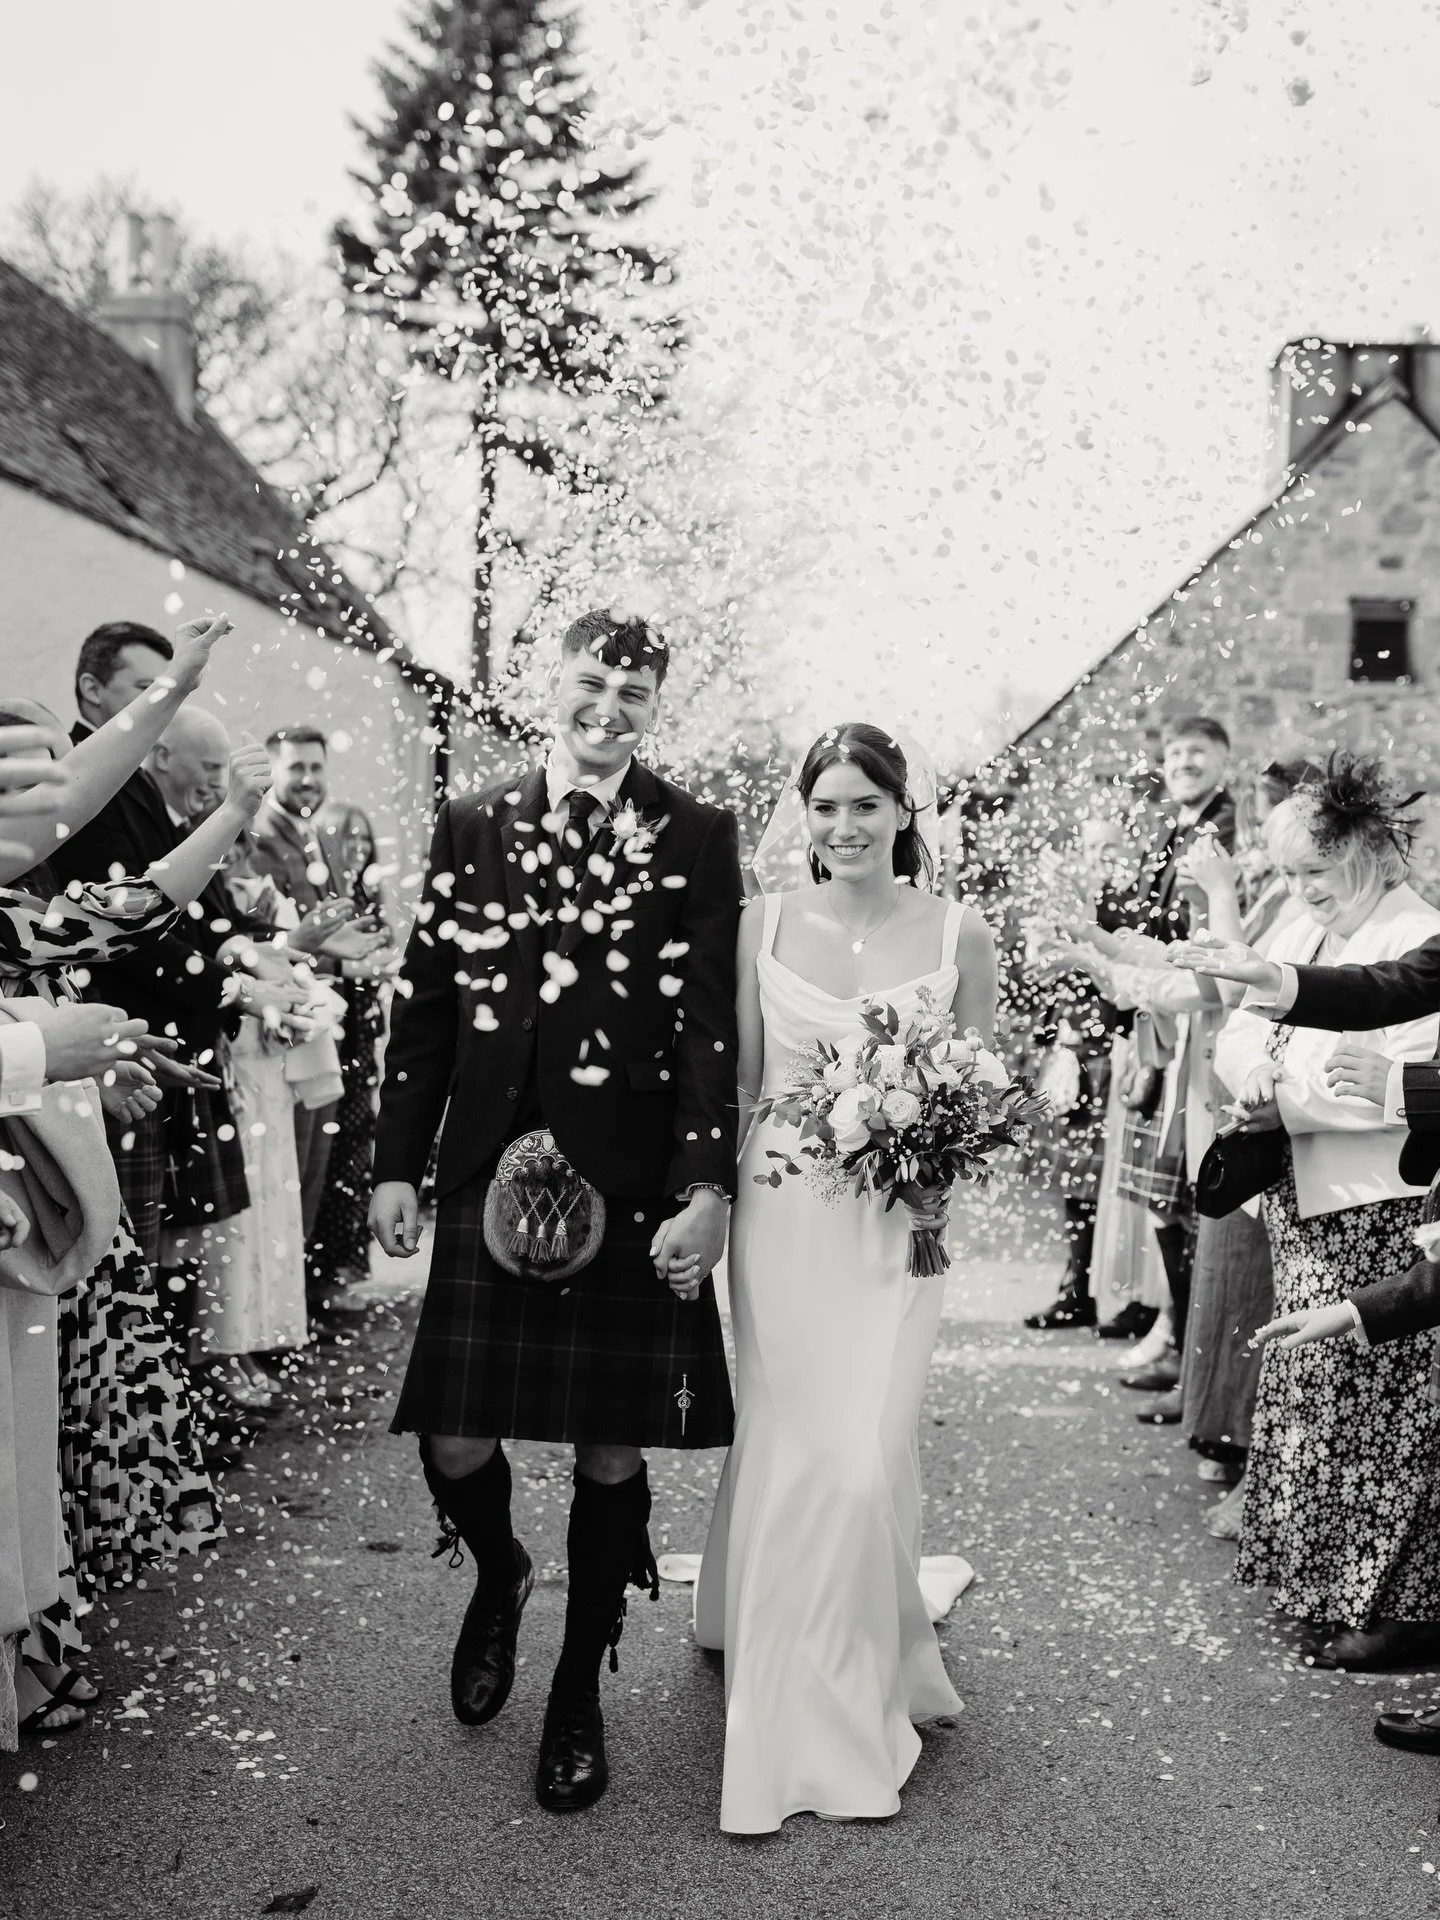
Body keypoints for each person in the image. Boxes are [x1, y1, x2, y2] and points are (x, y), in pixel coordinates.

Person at [369, 608, 742, 1815]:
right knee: (454, 1437)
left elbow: (705, 1029)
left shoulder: (695, 832)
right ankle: (498, 1569)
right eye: (592, 683)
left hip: (628, 1176)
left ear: (655, 704)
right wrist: (393, 1161)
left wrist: (705, 1182)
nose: (608, 708)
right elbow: (425, 1001)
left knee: (609, 1449)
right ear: (553, 684)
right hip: (489, 1160)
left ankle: (579, 1686)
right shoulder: (476, 817)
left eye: (633, 693)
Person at [693, 722, 997, 1833]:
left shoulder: (961, 932)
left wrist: (935, 1185)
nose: (844, 826)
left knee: (868, 1456)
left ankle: (864, 1665)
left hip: (896, 1231)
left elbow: (978, 1090)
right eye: (825, 806)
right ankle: (784, 1685)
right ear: (804, 816)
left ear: (903, 812)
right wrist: (714, 1209)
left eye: (865, 804)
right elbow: (735, 1085)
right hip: (782, 1216)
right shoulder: (758, 923)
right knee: (792, 1439)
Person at [1202, 755, 1440, 1669]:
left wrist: (1283, 1098)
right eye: (1289, 872)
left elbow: (1396, 1081)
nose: (1302, 890)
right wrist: (1250, 1073)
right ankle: (1318, 1582)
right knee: (1309, 1402)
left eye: (1316, 868)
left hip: (1383, 1203)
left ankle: (1386, 1606)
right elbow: (1241, 1028)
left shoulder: (1417, 931)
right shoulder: (1304, 926)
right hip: (1302, 1196)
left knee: (1377, 1414)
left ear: (1374, 850)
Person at [250, 727, 349, 1288]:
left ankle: (304, 1299)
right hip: (286, 1018)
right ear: (274, 770)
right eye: (296, 768)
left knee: (317, 1165)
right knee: (292, 1169)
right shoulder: (260, 837)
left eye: (316, 766)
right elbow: (270, 933)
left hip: (324, 1013)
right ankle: (289, 1300)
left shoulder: (319, 831)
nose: (308, 779)